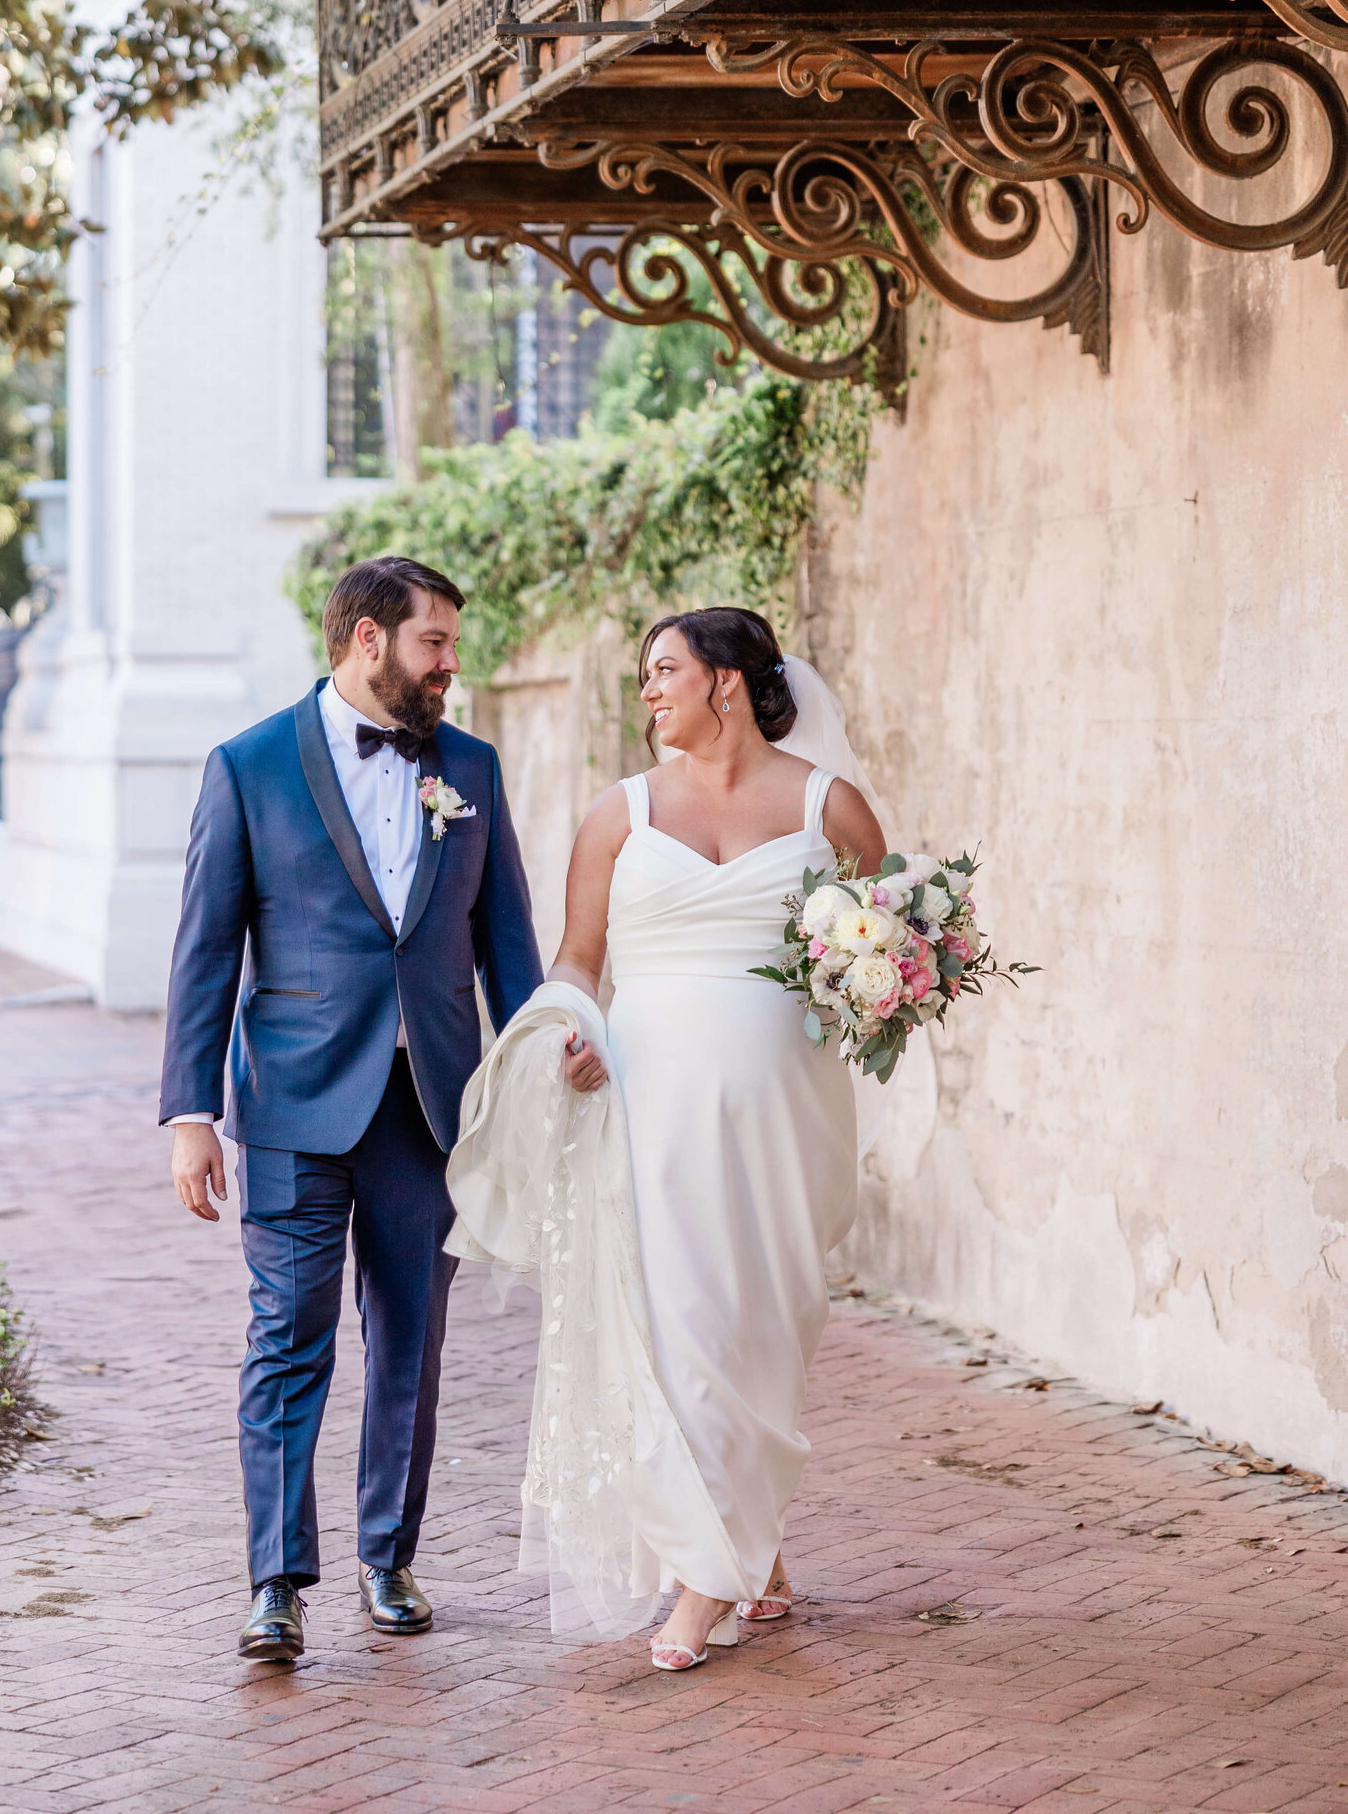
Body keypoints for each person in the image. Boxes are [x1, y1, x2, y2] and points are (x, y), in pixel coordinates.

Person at [446, 607, 885, 1669]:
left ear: (726, 682)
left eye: (664, 672)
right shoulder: (619, 815)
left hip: (786, 1105)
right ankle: (702, 1581)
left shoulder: (831, 805)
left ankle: (753, 1549)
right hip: (650, 1101)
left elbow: (887, 941)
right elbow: (579, 959)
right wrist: (568, 1036)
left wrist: (876, 990)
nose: (648, 692)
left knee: (769, 1322)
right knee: (681, 1320)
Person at [160, 555, 542, 1664]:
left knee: (410, 1341)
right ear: (367, 641)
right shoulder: (247, 765)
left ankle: (389, 1557)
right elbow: (203, 949)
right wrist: (190, 1110)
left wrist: (528, 1080)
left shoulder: (468, 767)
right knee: (288, 1339)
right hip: (288, 1104)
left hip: (429, 1110)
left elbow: (504, 945)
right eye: (434, 643)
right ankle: (275, 1581)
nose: (450, 665)